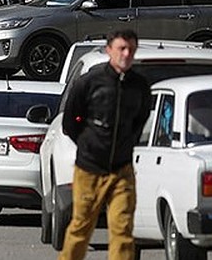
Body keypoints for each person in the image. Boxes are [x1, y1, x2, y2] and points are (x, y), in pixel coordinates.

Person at [59, 30, 151, 260]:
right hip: (89, 169)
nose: (126, 54)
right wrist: (88, 145)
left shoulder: (139, 86)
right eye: (121, 48)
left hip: (122, 169)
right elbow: (70, 121)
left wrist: (126, 144)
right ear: (109, 50)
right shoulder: (90, 81)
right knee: (81, 226)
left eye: (131, 49)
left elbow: (141, 119)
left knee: (123, 228)